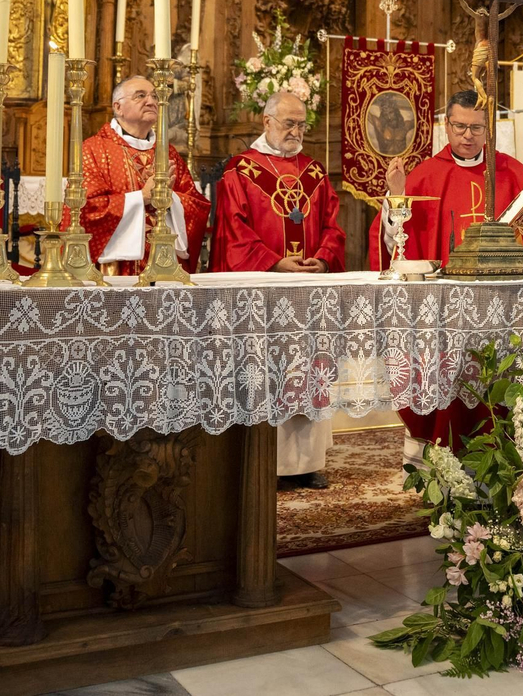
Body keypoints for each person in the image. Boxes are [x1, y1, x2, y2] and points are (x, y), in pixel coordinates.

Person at [370, 89, 523, 451]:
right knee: (450, 389)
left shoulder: (512, 171)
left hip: (505, 309)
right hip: (446, 312)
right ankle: (442, 459)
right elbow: (395, 243)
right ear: (447, 125)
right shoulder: (426, 176)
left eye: (476, 128)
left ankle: (511, 455)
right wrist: (396, 195)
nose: (467, 135)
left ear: (488, 129)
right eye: (460, 126)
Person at [210, 90, 346, 489]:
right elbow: (233, 232)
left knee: (307, 371)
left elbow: (334, 226)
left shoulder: (315, 172)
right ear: (266, 121)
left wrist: (321, 257)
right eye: (289, 123)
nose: (296, 131)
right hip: (262, 292)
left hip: (307, 291)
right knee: (266, 372)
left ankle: (307, 462)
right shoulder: (240, 172)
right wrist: (274, 261)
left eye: (302, 124)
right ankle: (265, 463)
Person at [81, 75, 209, 276]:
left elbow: (195, 204)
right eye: (140, 96)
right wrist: (142, 197)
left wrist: (171, 199)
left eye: (155, 96)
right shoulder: (94, 149)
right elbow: (86, 209)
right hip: (117, 271)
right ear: (118, 107)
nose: (151, 102)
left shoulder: (168, 152)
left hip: (164, 268)